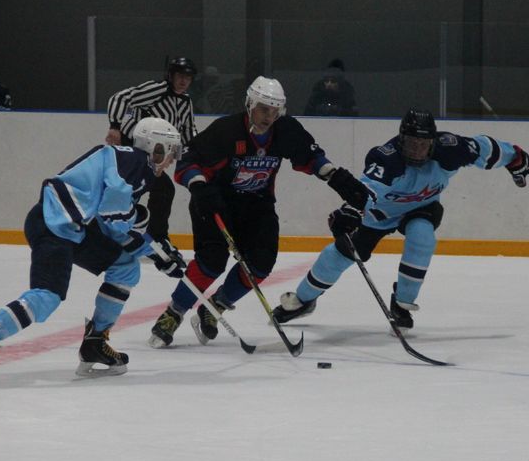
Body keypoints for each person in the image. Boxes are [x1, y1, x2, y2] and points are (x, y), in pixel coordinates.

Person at [0, 118, 188, 390]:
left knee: (125, 266)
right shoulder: (134, 162)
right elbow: (115, 219)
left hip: (72, 227)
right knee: (47, 296)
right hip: (52, 224)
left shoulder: (132, 165)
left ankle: (95, 342)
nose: (171, 159)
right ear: (153, 146)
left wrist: (155, 252)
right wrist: (150, 241)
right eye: (169, 151)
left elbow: (111, 224)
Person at [148, 76, 368, 348]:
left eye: (276, 110)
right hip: (216, 202)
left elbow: (310, 157)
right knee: (211, 263)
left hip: (257, 205)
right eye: (264, 109)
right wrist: (200, 188)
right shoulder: (226, 130)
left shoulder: (285, 130)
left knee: (261, 265)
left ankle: (214, 307)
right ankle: (174, 312)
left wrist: (337, 178)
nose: (270, 116)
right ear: (250, 104)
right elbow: (188, 160)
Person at [271, 108, 529, 330]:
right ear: (401, 139)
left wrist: (516, 158)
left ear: (433, 141)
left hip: (422, 207)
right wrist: (351, 213)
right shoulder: (386, 159)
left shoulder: (450, 148)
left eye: (423, 144)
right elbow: (366, 190)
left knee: (422, 238)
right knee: (340, 255)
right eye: (411, 143)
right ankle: (304, 300)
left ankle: (402, 303)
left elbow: (485, 148)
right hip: (379, 213)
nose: (417, 151)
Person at [105, 56, 198, 242]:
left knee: (161, 189)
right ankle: (117, 231)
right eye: (180, 76)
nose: (183, 81)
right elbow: (121, 98)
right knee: (135, 190)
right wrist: (115, 126)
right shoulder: (158, 89)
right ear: (170, 75)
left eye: (187, 78)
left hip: (153, 157)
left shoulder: (186, 101)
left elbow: (188, 129)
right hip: (135, 151)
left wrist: (197, 151)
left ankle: (154, 235)